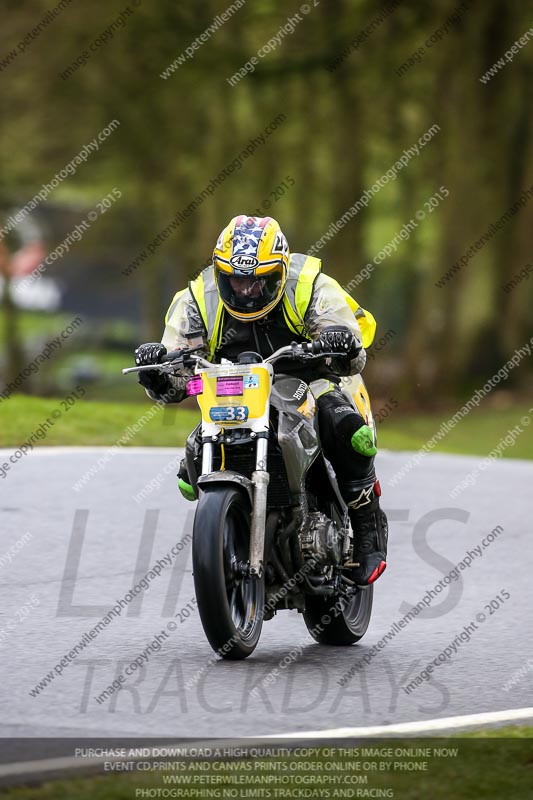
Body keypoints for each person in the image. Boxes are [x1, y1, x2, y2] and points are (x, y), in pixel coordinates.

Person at [134, 215, 388, 586]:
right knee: (190, 464)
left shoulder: (310, 284)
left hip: (312, 377)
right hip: (232, 386)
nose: (247, 291)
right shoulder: (197, 298)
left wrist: (336, 342)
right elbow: (178, 372)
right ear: (221, 273)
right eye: (236, 280)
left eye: (258, 282)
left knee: (345, 428)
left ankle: (368, 524)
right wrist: (157, 371)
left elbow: (353, 350)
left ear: (279, 273)